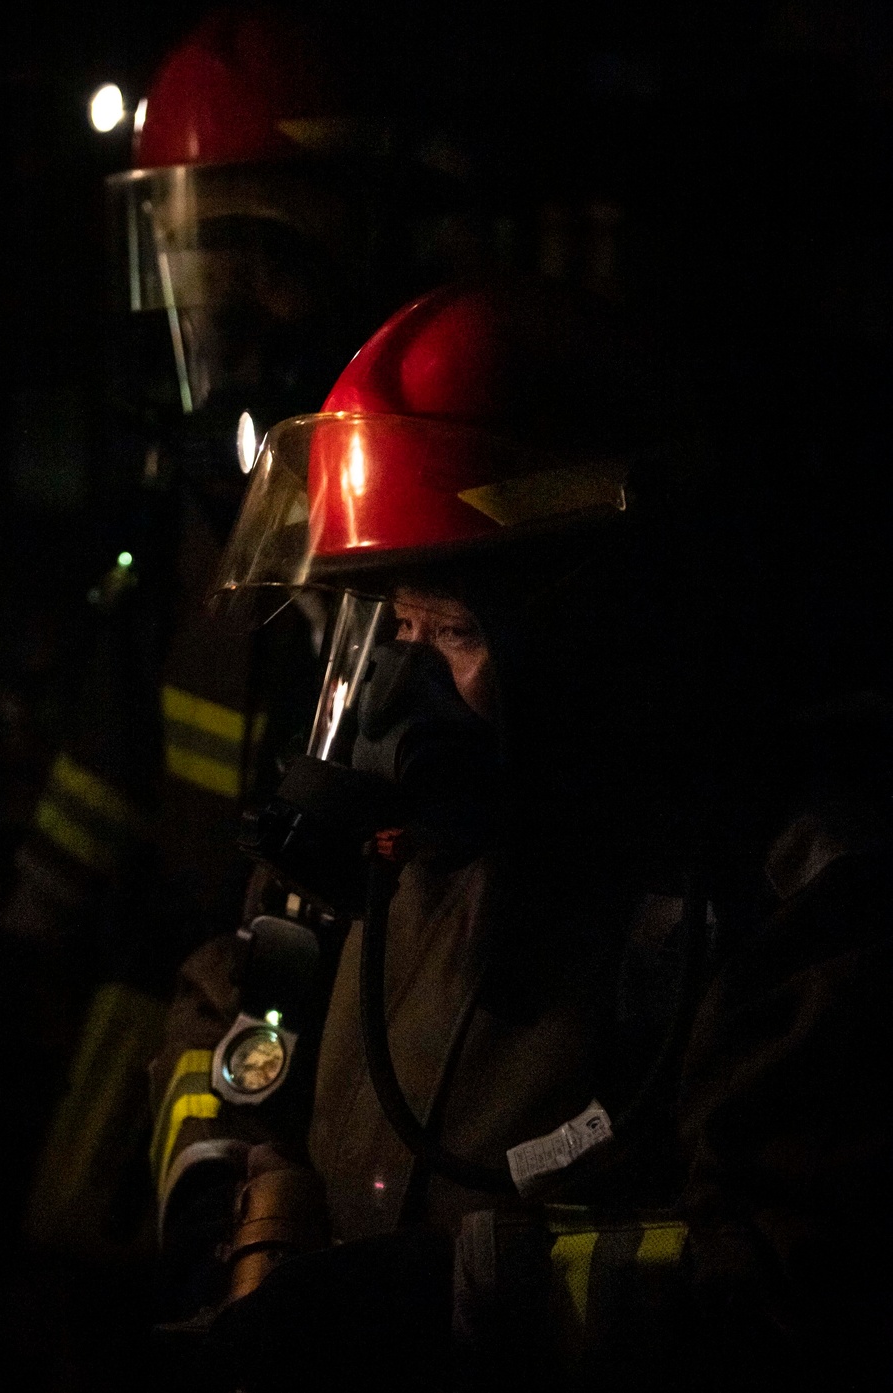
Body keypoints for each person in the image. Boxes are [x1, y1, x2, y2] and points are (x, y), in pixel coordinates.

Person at [148, 273, 892, 1392]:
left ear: (602, 628)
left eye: (446, 629)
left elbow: (797, 1285)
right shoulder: (373, 868)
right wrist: (212, 1175)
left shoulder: (780, 907)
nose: (395, 700)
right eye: (385, 626)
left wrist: (440, 1303)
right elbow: (222, 1010)